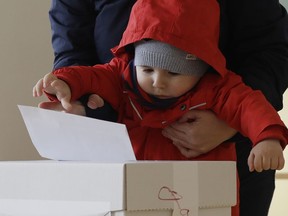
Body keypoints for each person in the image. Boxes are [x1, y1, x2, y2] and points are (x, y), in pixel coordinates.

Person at [33, 1, 288, 215]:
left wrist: (263, 136)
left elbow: (252, 102)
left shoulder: (218, 89)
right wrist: (66, 87)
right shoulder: (121, 75)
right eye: (148, 71)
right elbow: (84, 68)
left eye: (173, 73)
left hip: (213, 178)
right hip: (120, 171)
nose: (158, 82)